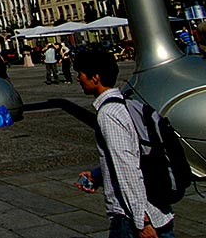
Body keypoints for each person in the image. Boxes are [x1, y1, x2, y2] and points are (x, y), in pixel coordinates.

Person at [74, 49, 175, 238]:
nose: (78, 79)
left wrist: (140, 221)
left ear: (95, 77)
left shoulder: (109, 114)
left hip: (132, 218)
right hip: (156, 211)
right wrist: (97, 175)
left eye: (80, 74)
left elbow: (127, 166)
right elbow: (131, 153)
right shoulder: (126, 103)